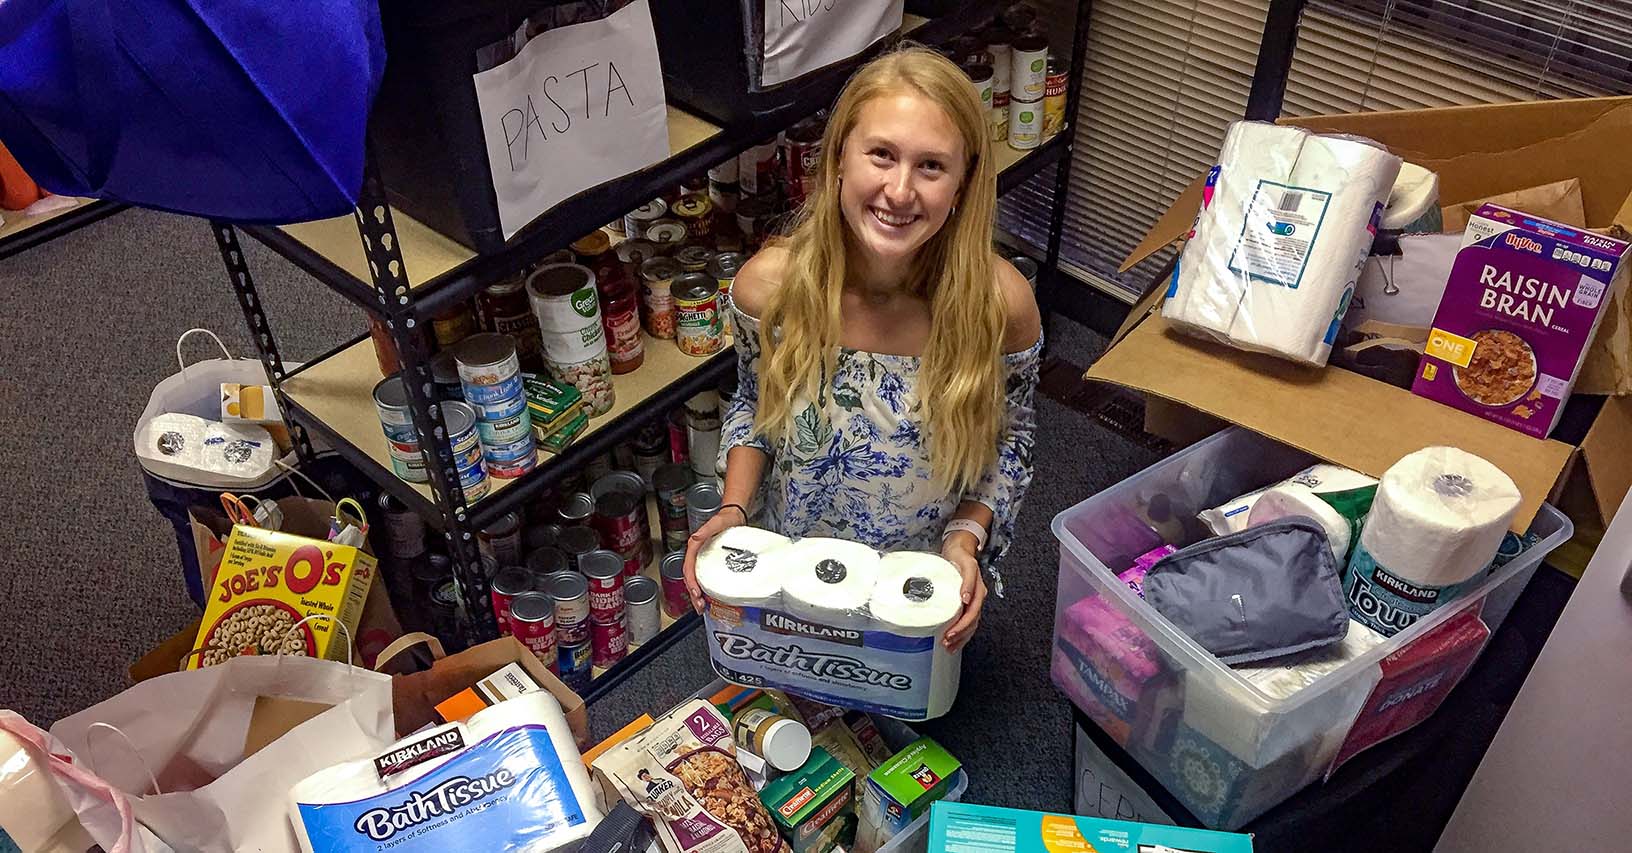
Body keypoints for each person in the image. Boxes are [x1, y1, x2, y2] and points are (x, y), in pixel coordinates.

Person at [682, 46, 1041, 652]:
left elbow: (1010, 439)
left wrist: (966, 536)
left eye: (931, 166)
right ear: (838, 160)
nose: (899, 191)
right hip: (790, 572)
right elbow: (752, 404)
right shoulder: (769, 288)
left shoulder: (998, 304)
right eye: (881, 155)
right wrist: (735, 509)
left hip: (916, 593)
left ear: (963, 183)